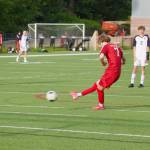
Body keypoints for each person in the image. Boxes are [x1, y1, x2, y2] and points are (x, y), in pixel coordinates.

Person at [70, 35, 126, 110]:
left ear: (102, 42)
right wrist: (119, 63)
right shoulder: (117, 47)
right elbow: (123, 59)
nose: (100, 46)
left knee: (99, 87)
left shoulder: (105, 46)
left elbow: (101, 57)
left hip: (112, 71)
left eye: (99, 44)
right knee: (97, 84)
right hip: (116, 71)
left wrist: (103, 63)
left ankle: (101, 105)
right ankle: (77, 95)